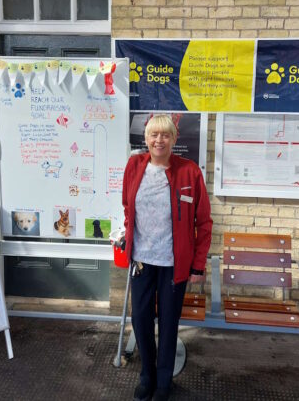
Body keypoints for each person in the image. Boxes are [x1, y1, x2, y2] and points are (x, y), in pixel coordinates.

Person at [122, 114, 212, 401]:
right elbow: (127, 205)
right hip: (141, 261)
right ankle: (147, 376)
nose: (158, 140)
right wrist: (128, 235)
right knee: (141, 320)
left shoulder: (190, 172)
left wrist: (198, 264)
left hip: (174, 264)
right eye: (153, 135)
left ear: (174, 139)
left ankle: (164, 382)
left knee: (170, 322)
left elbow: (204, 222)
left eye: (165, 135)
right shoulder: (134, 166)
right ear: (146, 138)